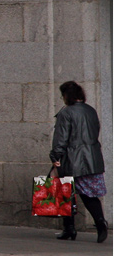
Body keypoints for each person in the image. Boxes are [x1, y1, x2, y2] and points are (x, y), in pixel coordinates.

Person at [50, 81, 108, 243]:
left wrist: (55, 157)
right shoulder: (91, 111)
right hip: (92, 158)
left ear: (66, 96)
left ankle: (69, 229)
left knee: (63, 191)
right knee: (89, 194)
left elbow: (61, 139)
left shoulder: (66, 113)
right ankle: (100, 221)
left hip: (72, 158)